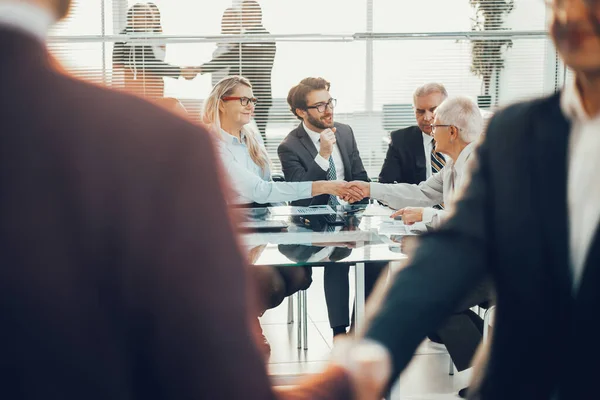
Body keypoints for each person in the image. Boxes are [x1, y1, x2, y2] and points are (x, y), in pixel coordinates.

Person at [0, 1, 389, 399]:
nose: (253, 107)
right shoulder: (164, 137)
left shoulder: (245, 140)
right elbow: (220, 381)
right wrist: (342, 384)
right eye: (245, 101)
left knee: (296, 272)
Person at [344, 1, 600, 399]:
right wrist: (361, 364)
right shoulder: (515, 130)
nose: (571, 16)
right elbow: (451, 251)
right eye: (558, 4)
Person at [201, 75, 361, 352]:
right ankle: (242, 325)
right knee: (272, 284)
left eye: (253, 99)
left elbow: (269, 184)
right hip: (228, 229)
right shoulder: (213, 145)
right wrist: (320, 184)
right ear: (222, 104)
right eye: (244, 99)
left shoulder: (251, 135)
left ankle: (240, 317)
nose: (251, 105)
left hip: (262, 224)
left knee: (301, 277)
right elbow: (260, 190)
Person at [349, 96, 491, 397]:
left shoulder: (479, 164)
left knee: (437, 303)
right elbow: (419, 193)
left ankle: (492, 378)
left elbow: (478, 222)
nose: (429, 129)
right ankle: (493, 374)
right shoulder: (455, 163)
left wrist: (426, 216)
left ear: (452, 131)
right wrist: (369, 188)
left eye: (435, 124)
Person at [279, 77, 387, 338]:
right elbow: (299, 196)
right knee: (336, 257)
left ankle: (359, 329)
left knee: (378, 260)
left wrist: (356, 194)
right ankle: (339, 333)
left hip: (350, 215)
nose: (329, 110)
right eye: (319, 106)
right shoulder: (289, 146)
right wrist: (323, 154)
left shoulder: (346, 132)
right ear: (301, 112)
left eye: (329, 102)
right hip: (312, 222)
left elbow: (360, 174)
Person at [198, 1, 276, 142]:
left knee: (257, 136)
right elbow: (230, 58)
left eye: (245, 13)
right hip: (245, 97)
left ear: (256, 14)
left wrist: (200, 68)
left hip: (256, 96)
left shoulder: (263, 36)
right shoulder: (245, 37)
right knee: (245, 135)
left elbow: (233, 58)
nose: (242, 17)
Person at [112, 3, 197, 98]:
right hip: (139, 91)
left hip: (149, 88)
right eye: (147, 16)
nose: (151, 20)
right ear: (133, 19)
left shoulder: (142, 35)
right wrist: (180, 71)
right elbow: (148, 63)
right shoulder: (130, 39)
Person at [378, 83, 448, 187]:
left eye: (433, 110)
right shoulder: (400, 140)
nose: (427, 118)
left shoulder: (465, 138)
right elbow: (385, 187)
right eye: (420, 112)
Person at [210, 7, 240, 86]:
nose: (225, 20)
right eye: (224, 17)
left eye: (229, 17)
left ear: (236, 22)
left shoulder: (235, 43)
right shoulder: (221, 42)